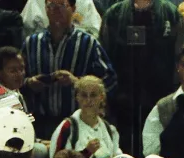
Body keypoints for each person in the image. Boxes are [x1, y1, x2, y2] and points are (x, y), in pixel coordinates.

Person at [100, 0, 184, 154]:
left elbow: (182, 59)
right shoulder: (114, 15)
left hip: (160, 102)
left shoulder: (171, 14)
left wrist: (177, 98)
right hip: (121, 104)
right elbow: (102, 60)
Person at [21, 0, 116, 139]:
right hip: (40, 123)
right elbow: (14, 81)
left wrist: (77, 83)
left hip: (78, 123)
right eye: (51, 5)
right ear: (46, 9)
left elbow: (110, 80)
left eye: (61, 5)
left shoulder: (88, 43)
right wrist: (30, 83)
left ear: (73, 8)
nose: (56, 10)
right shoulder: (32, 43)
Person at [49, 75, 119, 158]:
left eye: (93, 95)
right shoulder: (67, 128)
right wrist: (86, 153)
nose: (88, 100)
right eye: (84, 95)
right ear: (77, 98)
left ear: (101, 97)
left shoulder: (110, 130)